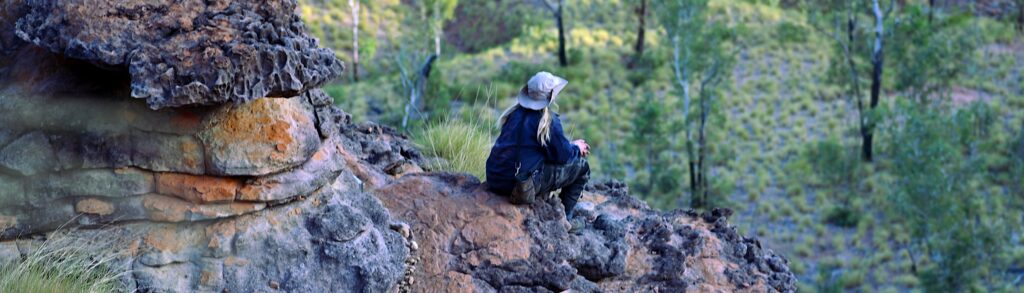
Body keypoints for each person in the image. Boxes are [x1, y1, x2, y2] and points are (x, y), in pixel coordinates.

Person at [485, 71, 590, 219]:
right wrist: (576, 148)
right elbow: (563, 156)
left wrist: (569, 146)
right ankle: (567, 219)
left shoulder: (513, 114)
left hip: (495, 178)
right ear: (550, 96)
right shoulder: (547, 121)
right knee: (582, 167)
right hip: (518, 185)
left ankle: (547, 201)